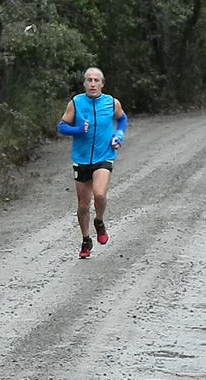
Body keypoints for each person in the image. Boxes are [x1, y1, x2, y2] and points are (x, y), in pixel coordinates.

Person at [57, 67, 128, 259]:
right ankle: (86, 239)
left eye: (97, 80)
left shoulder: (111, 103)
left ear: (102, 84)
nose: (93, 84)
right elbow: (61, 126)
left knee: (99, 194)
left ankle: (99, 220)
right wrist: (79, 129)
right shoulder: (76, 103)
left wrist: (119, 135)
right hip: (81, 159)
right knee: (83, 205)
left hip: (104, 156)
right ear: (84, 84)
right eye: (89, 80)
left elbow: (122, 120)